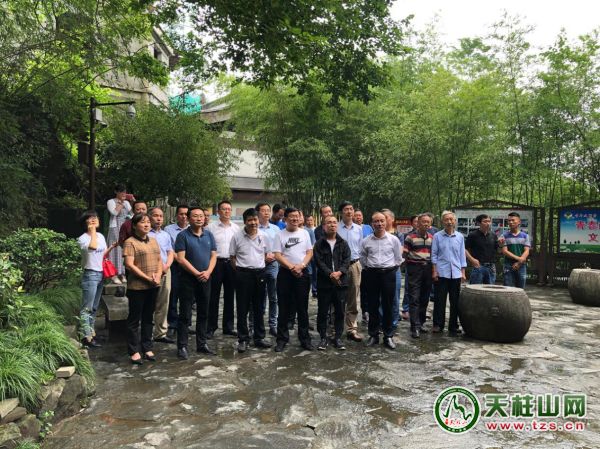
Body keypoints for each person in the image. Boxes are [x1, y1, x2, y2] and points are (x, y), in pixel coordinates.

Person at [174, 207, 217, 359]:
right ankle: (182, 346)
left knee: (204, 312)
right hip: (188, 279)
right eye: (195, 216)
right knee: (185, 314)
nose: (199, 218)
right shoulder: (182, 236)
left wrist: (208, 272)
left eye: (201, 216)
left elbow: (213, 255)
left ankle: (202, 344)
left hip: (206, 278)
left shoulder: (209, 235)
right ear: (188, 218)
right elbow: (181, 259)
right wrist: (196, 273)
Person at [229, 208, 273, 352]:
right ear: (245, 222)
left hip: (260, 274)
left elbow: (267, 255)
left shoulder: (264, 236)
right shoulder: (237, 236)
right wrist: (241, 271)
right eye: (250, 220)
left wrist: (259, 266)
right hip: (243, 274)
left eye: (255, 219)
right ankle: (243, 339)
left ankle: (259, 337)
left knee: (259, 307)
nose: (253, 223)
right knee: (242, 308)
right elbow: (232, 257)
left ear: (258, 220)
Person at [123, 213, 162, 364]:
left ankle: (147, 347)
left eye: (148, 222)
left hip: (153, 285)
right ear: (134, 226)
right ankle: (133, 350)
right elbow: (129, 265)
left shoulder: (153, 240)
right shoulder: (130, 242)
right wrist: (147, 278)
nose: (146, 225)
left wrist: (158, 275)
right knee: (134, 319)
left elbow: (159, 260)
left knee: (148, 317)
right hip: (137, 287)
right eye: (142, 222)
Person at [272, 207, 314, 352]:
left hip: (302, 273)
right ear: (285, 219)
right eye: (292, 216)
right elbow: (277, 255)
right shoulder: (279, 234)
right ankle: (282, 339)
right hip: (285, 273)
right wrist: (291, 267)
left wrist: (301, 266)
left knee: (302, 307)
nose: (295, 219)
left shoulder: (304, 233)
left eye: (297, 216)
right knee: (283, 307)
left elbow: (309, 252)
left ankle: (305, 339)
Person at [360, 212, 403, 350]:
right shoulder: (366, 241)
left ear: (386, 222)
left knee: (388, 305)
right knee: (372, 305)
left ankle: (388, 336)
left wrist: (390, 269)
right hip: (371, 274)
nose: (379, 224)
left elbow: (398, 258)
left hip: (388, 274)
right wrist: (370, 268)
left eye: (382, 221)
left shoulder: (393, 240)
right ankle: (373, 335)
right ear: (372, 223)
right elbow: (363, 258)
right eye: (376, 221)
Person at [77, 211, 116, 348]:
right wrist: (92, 230)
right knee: (86, 308)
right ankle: (85, 337)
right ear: (85, 222)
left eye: (95, 217)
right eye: (90, 218)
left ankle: (91, 333)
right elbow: (92, 247)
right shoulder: (82, 239)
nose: (94, 219)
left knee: (94, 307)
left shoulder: (100, 236)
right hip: (90, 274)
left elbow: (102, 254)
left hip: (100, 274)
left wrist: (111, 247)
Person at [313, 215, 351, 350]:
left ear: (337, 226)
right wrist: (330, 274)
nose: (332, 225)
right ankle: (323, 337)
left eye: (334, 223)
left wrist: (339, 272)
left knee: (340, 311)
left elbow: (347, 260)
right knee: (323, 311)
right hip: (325, 283)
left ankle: (338, 338)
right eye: (329, 223)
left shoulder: (343, 243)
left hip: (341, 283)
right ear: (324, 226)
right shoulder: (319, 244)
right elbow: (319, 262)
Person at [207, 200, 240, 337]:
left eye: (229, 209)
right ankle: (211, 327)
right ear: (218, 211)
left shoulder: (236, 228)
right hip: (216, 263)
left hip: (231, 263)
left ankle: (228, 327)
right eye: (224, 209)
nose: (227, 211)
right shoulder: (210, 228)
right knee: (213, 296)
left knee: (230, 295)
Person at [431, 211, 467, 336]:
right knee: (439, 300)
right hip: (441, 272)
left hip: (456, 273)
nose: (449, 222)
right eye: (446, 219)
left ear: (455, 221)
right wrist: (434, 271)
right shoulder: (437, 236)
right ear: (442, 221)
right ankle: (438, 324)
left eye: (451, 219)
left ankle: (453, 326)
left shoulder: (460, 237)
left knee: (455, 301)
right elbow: (434, 255)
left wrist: (463, 272)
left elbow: (462, 255)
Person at [336, 201, 364, 343]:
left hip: (354, 264)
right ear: (341, 212)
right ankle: (336, 328)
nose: (349, 211)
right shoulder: (335, 227)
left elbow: (361, 247)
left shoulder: (358, 229)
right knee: (338, 296)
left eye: (351, 209)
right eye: (346, 209)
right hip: (339, 266)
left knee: (353, 297)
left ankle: (352, 329)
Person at [403, 214, 434, 338]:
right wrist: (410, 266)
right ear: (418, 223)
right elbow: (405, 254)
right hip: (415, 268)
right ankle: (414, 327)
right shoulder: (410, 237)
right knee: (414, 297)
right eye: (423, 221)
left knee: (424, 297)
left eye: (428, 222)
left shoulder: (432, 238)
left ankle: (421, 323)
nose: (425, 224)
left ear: (430, 224)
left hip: (428, 268)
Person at [149, 207, 175, 344]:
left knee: (163, 302)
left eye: (161, 216)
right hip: (149, 271)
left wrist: (167, 266)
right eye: (155, 216)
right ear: (149, 217)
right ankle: (147, 332)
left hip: (165, 270)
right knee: (148, 302)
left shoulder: (165, 235)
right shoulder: (145, 234)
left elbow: (170, 252)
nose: (158, 218)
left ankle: (160, 333)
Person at [164, 204, 189, 339]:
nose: (184, 216)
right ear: (176, 215)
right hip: (174, 265)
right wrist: (180, 259)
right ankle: (172, 324)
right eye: (181, 214)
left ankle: (186, 323)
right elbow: (169, 248)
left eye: (186, 214)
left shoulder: (193, 229)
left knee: (188, 296)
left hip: (190, 267)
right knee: (173, 294)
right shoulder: (169, 229)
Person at [256, 202, 280, 336]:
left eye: (268, 210)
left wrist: (274, 256)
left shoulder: (275, 229)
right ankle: (256, 325)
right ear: (257, 213)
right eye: (263, 210)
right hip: (258, 265)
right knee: (258, 296)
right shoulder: (254, 228)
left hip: (273, 264)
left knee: (273, 296)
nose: (266, 213)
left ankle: (273, 324)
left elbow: (280, 247)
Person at [106, 185, 132, 284]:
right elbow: (114, 213)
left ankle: (122, 273)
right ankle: (113, 275)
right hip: (115, 227)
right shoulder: (111, 201)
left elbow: (131, 214)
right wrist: (120, 203)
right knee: (115, 249)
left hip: (125, 227)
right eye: (121, 191)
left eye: (124, 192)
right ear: (116, 192)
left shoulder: (127, 202)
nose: (123, 194)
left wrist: (132, 202)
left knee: (124, 249)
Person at [381, 208, 402, 330]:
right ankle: (381, 322)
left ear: (392, 219)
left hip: (394, 269)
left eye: (385, 218)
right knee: (380, 297)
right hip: (379, 270)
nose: (382, 221)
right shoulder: (376, 234)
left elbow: (399, 254)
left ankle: (393, 323)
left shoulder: (398, 235)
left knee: (394, 297)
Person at [465, 214, 499, 285]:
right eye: (485, 221)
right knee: (475, 288)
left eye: (489, 221)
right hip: (478, 265)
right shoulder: (473, 235)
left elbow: (497, 249)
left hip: (491, 266)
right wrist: (472, 260)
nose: (488, 223)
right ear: (479, 223)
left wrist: (501, 244)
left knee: (490, 289)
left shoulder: (493, 235)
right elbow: (465, 249)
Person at [500, 212, 531, 288]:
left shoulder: (525, 236)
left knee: (520, 289)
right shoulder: (504, 236)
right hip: (508, 264)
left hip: (521, 265)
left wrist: (519, 263)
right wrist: (518, 259)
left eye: (513, 220)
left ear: (519, 222)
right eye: (509, 220)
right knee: (507, 288)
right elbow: (505, 251)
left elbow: (527, 251)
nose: (511, 222)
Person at [400, 215, 419, 320]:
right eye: (415, 221)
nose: (417, 223)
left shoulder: (428, 235)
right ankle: (406, 309)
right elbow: (404, 251)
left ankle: (418, 310)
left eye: (419, 221)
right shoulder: (407, 235)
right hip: (411, 265)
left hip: (423, 267)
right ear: (411, 223)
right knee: (408, 288)